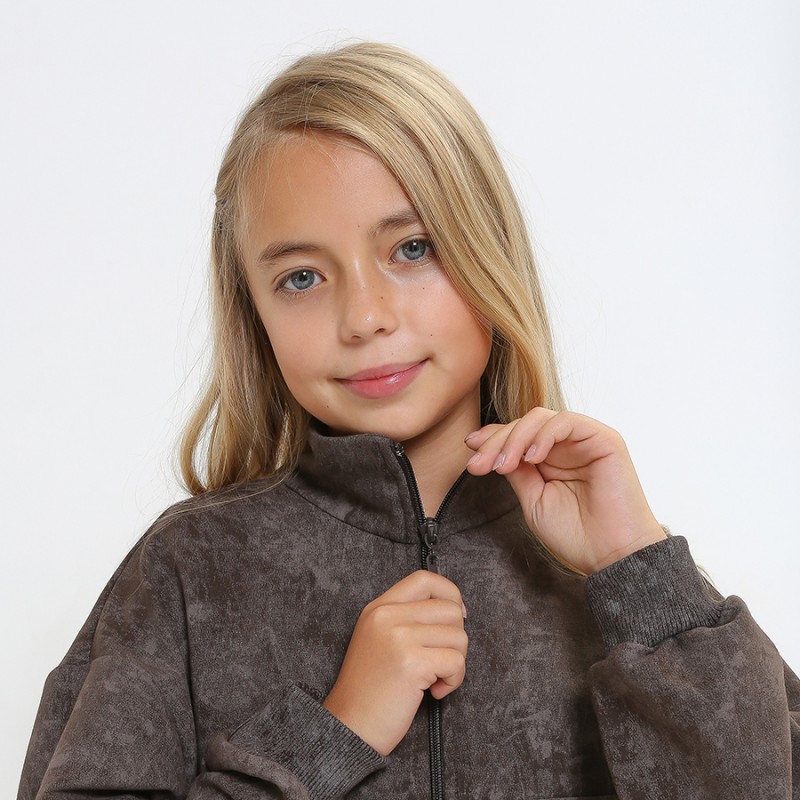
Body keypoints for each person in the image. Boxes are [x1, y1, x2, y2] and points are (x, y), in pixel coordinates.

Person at [18, 42, 799, 800]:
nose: (364, 316)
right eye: (301, 277)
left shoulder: (623, 579)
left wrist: (639, 569)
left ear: (487, 249)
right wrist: (332, 734)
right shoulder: (189, 570)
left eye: (413, 248)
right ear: (253, 311)